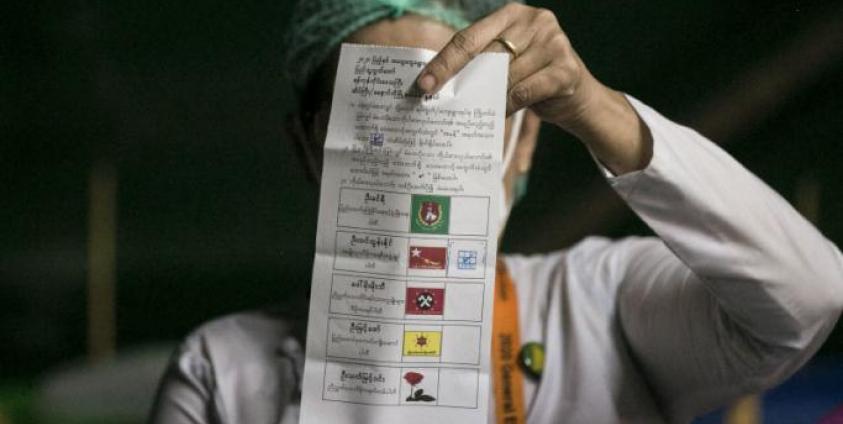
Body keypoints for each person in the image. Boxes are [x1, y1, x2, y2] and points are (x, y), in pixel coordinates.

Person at [149, 1, 843, 423]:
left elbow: (809, 295)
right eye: (372, 121)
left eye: (450, 118)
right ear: (309, 147)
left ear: (521, 142)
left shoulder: (599, 303)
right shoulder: (221, 371)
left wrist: (593, 106)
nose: (409, 165)